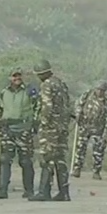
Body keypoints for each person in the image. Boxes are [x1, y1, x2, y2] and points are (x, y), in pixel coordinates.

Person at [29, 59, 72, 202]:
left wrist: (43, 123)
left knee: (47, 159)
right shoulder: (61, 84)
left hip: (50, 129)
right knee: (60, 159)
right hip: (62, 127)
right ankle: (64, 192)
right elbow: (67, 106)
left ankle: (44, 191)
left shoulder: (46, 85)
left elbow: (47, 107)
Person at [0, 67, 38, 199]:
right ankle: (2, 190)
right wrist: (0, 123)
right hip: (8, 129)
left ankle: (29, 190)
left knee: (26, 161)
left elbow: (37, 106)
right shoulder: (4, 92)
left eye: (19, 76)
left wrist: (34, 124)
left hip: (24, 129)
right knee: (4, 159)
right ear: (10, 78)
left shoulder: (29, 90)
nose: (17, 78)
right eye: (14, 76)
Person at [72, 81, 107, 179]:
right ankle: (77, 169)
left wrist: (106, 134)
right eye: (98, 89)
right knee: (80, 148)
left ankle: (96, 171)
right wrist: (78, 114)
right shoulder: (87, 95)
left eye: (102, 90)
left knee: (98, 151)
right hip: (85, 126)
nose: (99, 92)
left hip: (98, 128)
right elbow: (78, 104)